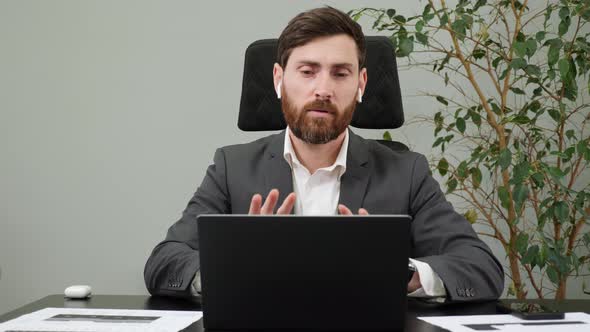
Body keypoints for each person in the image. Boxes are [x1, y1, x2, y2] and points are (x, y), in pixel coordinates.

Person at [144, 6, 504, 302]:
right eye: (307, 71)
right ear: (278, 79)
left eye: (340, 73)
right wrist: (231, 268)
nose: (323, 89)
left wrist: (403, 272)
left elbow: (482, 269)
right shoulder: (231, 167)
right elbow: (164, 262)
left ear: (360, 85)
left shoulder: (406, 172)